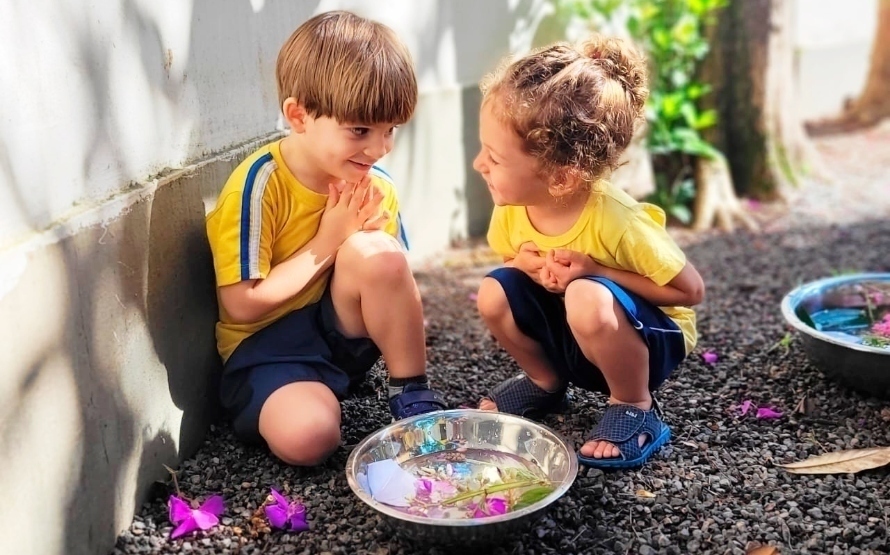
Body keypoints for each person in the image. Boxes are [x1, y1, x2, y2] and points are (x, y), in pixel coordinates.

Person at [206, 10, 446, 467]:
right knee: (310, 438)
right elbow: (241, 303)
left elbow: (390, 278)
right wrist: (329, 241)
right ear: (299, 115)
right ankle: (308, 398)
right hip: (269, 352)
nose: (378, 149)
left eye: (390, 130)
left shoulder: (375, 184)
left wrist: (362, 246)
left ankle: (411, 393)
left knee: (380, 255)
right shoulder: (260, 184)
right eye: (360, 130)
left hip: (339, 335)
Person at [471, 35, 705, 469]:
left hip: (649, 343)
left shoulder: (617, 219)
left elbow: (690, 292)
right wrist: (523, 266)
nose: (478, 164)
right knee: (494, 290)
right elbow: (510, 266)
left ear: (562, 176)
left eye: (494, 158)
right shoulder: (513, 208)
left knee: (586, 295)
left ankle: (635, 406)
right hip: (579, 333)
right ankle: (545, 380)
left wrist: (597, 271)